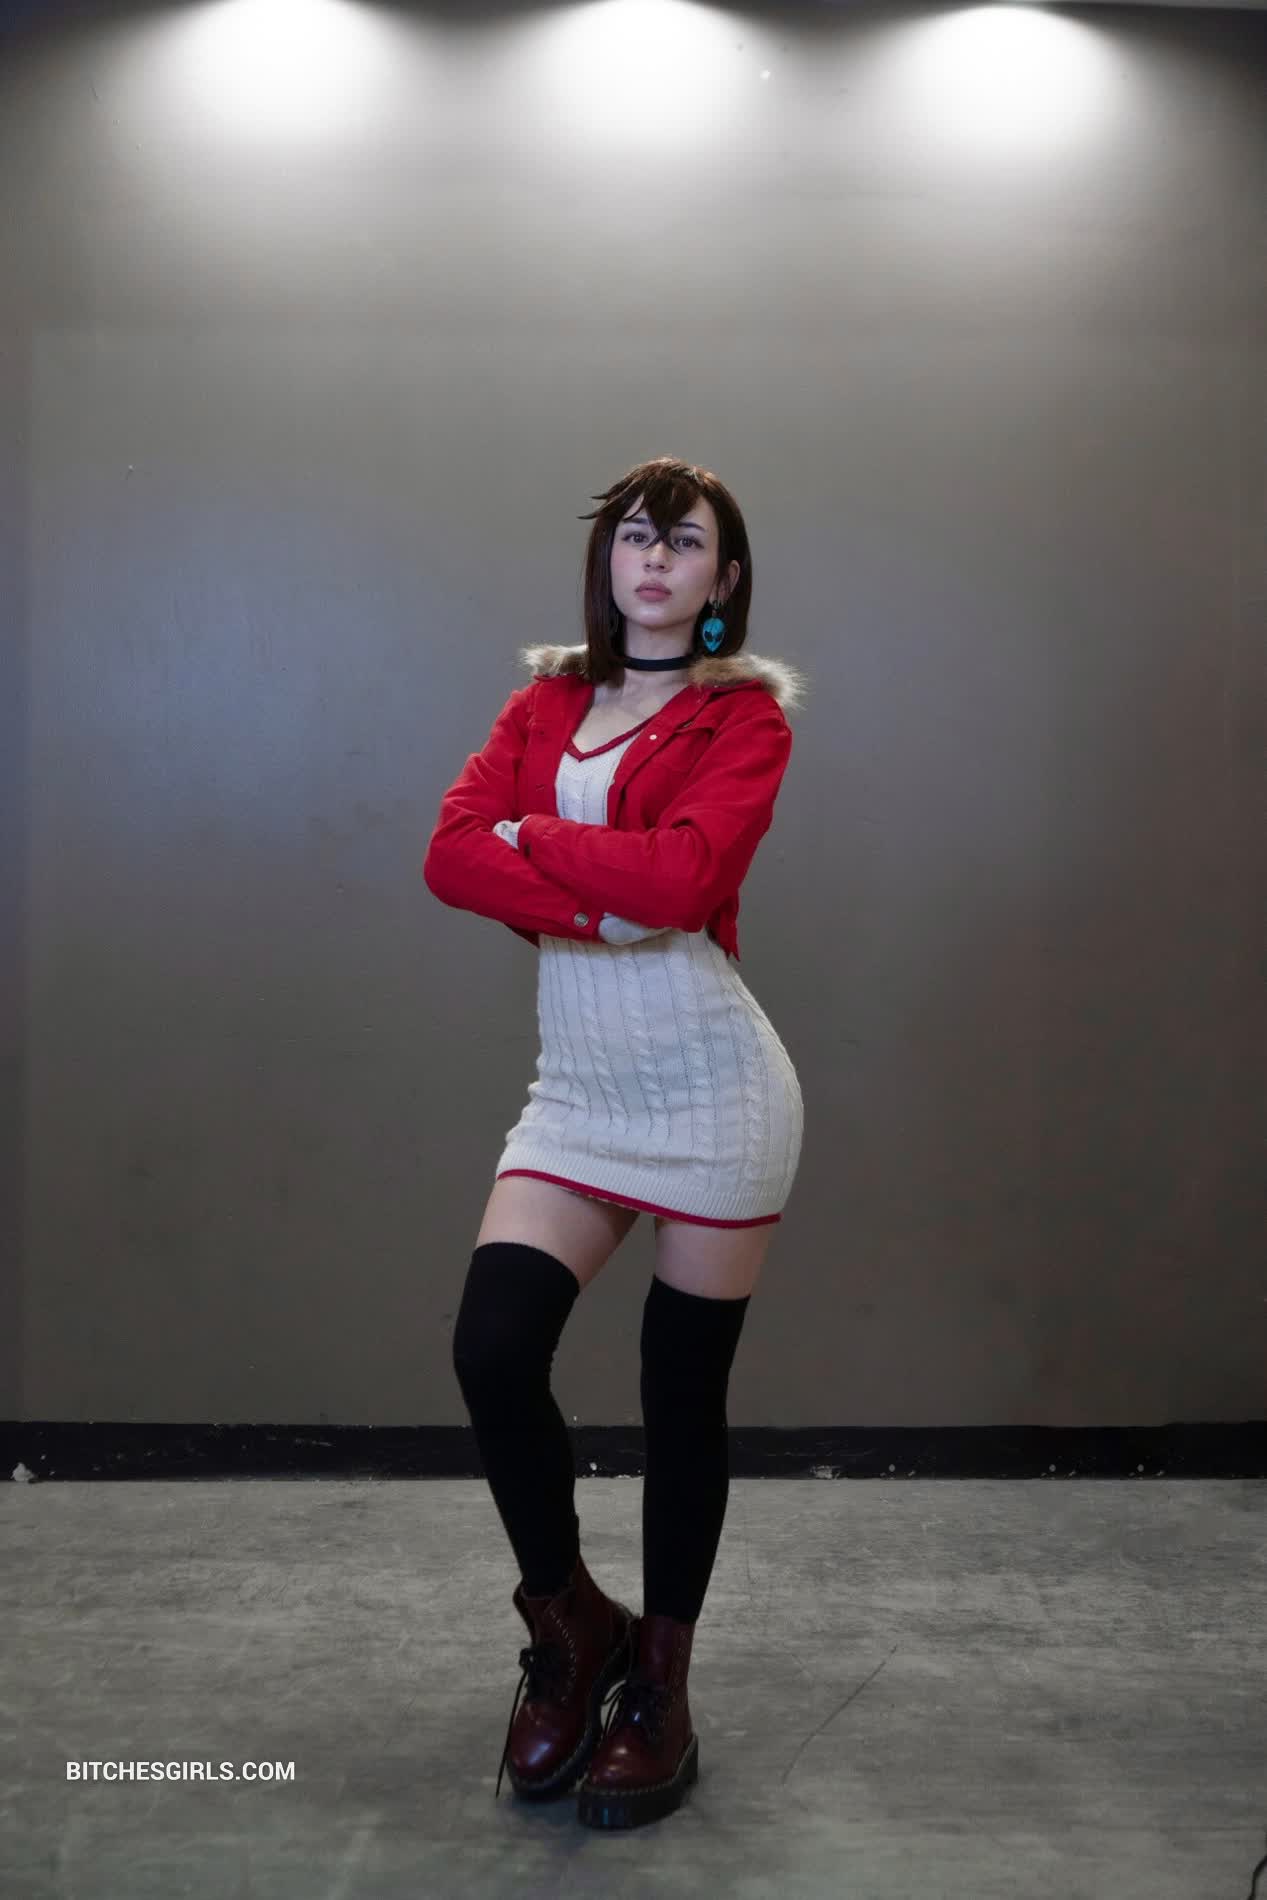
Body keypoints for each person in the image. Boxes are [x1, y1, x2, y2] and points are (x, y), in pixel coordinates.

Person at [423, 455, 807, 1829]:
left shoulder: (743, 719)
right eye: (636, 536)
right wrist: (604, 902)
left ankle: (660, 1686)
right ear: (608, 561)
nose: (654, 559)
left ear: (723, 577)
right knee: (493, 1350)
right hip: (580, 1094)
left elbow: (692, 879)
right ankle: (572, 1622)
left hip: (714, 1094)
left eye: (684, 541)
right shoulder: (543, 702)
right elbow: (451, 852)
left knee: (678, 1399)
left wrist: (537, 840)